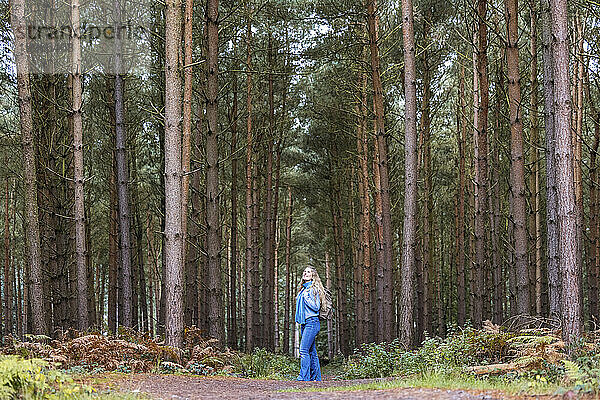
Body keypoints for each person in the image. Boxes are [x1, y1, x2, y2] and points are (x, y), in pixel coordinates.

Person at [295, 266, 325, 381]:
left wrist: (306, 298)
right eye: (304, 271)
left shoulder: (312, 289)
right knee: (311, 351)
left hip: (312, 322)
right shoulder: (303, 289)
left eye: (308, 272)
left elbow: (316, 307)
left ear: (313, 275)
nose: (305, 273)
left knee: (303, 350)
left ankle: (304, 377)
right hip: (305, 322)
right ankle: (316, 378)